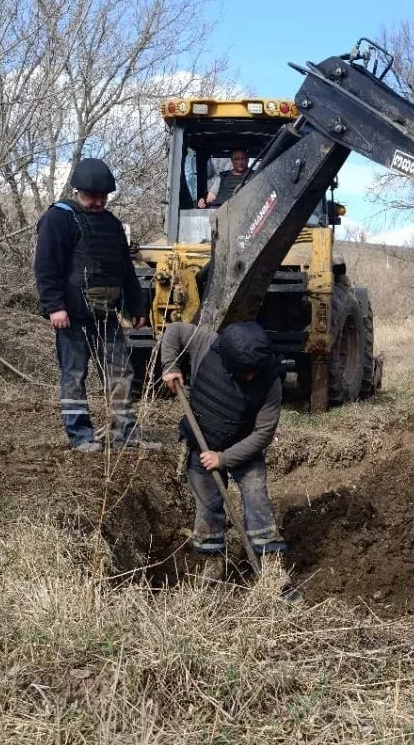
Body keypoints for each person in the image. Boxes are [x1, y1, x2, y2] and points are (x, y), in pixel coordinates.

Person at [34, 158, 161, 453]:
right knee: (74, 375)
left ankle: (126, 436)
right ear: (77, 191)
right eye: (92, 196)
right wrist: (55, 306)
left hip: (108, 316)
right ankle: (81, 436)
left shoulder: (112, 224)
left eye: (103, 196)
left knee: (122, 374)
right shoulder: (59, 218)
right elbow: (46, 266)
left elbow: (125, 271)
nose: (98, 202)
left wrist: (137, 307)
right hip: (73, 317)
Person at [160, 320, 286, 579]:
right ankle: (212, 563)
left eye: (254, 372)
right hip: (201, 443)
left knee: (256, 497)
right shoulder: (206, 344)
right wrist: (170, 366)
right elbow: (173, 330)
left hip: (244, 447)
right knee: (208, 506)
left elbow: (263, 433)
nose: (250, 377)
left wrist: (224, 458)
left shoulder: (270, 383)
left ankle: (270, 565)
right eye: (244, 372)